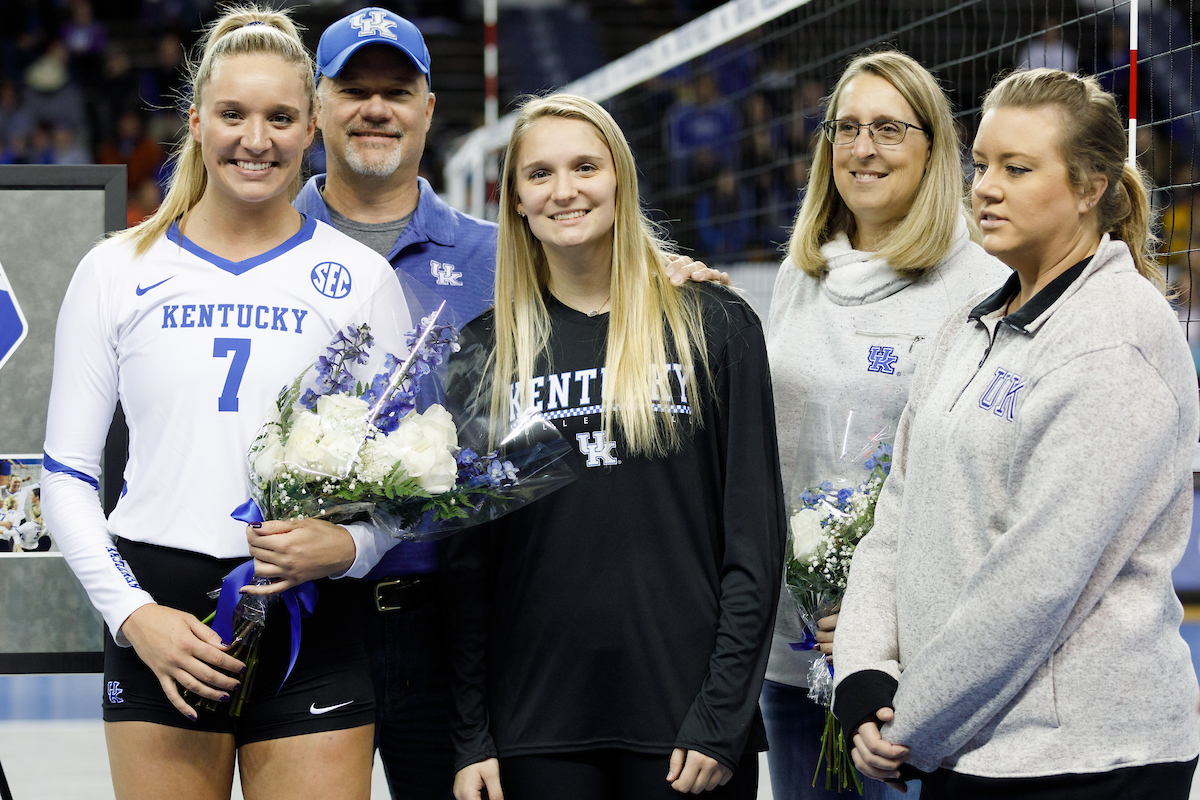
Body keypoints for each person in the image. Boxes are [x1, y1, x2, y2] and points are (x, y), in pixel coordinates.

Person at [284, 9, 728, 798]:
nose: (375, 108)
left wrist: (668, 273)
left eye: (398, 90)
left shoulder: (504, 257)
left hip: (455, 623)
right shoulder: (269, 244)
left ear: (429, 109)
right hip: (310, 612)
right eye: (353, 89)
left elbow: (599, 268)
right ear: (318, 106)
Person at [40, 7, 412, 799]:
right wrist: (133, 616)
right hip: (157, 611)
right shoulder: (115, 269)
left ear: (311, 127)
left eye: (280, 117)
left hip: (310, 610)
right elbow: (66, 473)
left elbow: (404, 487)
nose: (257, 138)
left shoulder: (362, 281)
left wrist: (346, 550)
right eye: (234, 114)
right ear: (195, 121)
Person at [833, 68, 1200, 799]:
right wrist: (864, 672)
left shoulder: (1116, 339)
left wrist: (909, 719)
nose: (986, 188)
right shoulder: (969, 326)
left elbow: (1035, 583)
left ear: (1091, 187)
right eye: (981, 167)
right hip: (965, 741)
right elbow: (896, 514)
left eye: (1017, 169)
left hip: (1082, 761)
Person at [444, 94, 785, 800]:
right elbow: (470, 563)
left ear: (621, 180)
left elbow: (754, 540)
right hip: (535, 726)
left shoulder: (714, 326)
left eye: (584, 167)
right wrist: (471, 734)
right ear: (513, 201)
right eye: (539, 174)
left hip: (684, 723)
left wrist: (722, 716)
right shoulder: (484, 353)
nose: (564, 190)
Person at [763, 50, 1007, 800]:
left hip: (903, 662)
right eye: (848, 127)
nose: (863, 148)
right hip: (788, 647)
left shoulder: (983, 280)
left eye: (889, 129)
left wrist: (883, 618)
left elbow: (987, 477)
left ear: (935, 147)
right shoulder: (800, 273)